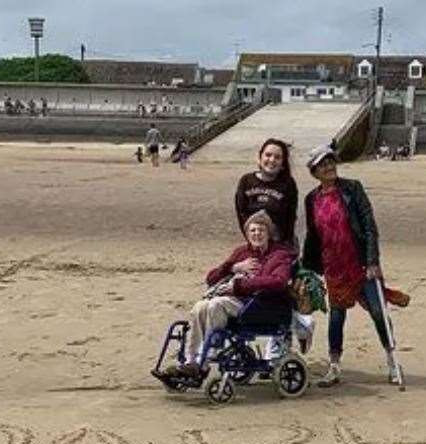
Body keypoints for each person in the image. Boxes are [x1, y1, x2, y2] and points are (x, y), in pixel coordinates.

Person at [302, 144, 409, 387]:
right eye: (322, 164)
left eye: (330, 161)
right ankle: (335, 365)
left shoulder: (352, 189)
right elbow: (312, 235)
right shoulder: (311, 199)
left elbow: (369, 225)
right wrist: (307, 266)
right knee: (337, 316)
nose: (329, 166)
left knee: (378, 311)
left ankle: (392, 361)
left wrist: (372, 261)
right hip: (334, 267)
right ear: (314, 171)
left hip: (360, 264)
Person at [158, 210, 296, 380]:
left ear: (269, 233)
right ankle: (190, 361)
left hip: (259, 304)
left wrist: (239, 285)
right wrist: (233, 268)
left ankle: (204, 362)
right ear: (247, 234)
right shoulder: (241, 253)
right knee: (200, 307)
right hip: (235, 300)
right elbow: (211, 278)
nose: (257, 234)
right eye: (252, 230)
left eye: (261, 230)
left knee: (217, 305)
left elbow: (279, 281)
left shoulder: (279, 255)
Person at [235, 138, 298, 246]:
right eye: (268, 155)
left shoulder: (288, 184)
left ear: (283, 164)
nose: (272, 160)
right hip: (254, 241)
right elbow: (241, 214)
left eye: (277, 157)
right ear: (260, 158)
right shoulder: (246, 181)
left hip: (279, 244)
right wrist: (253, 240)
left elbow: (290, 218)